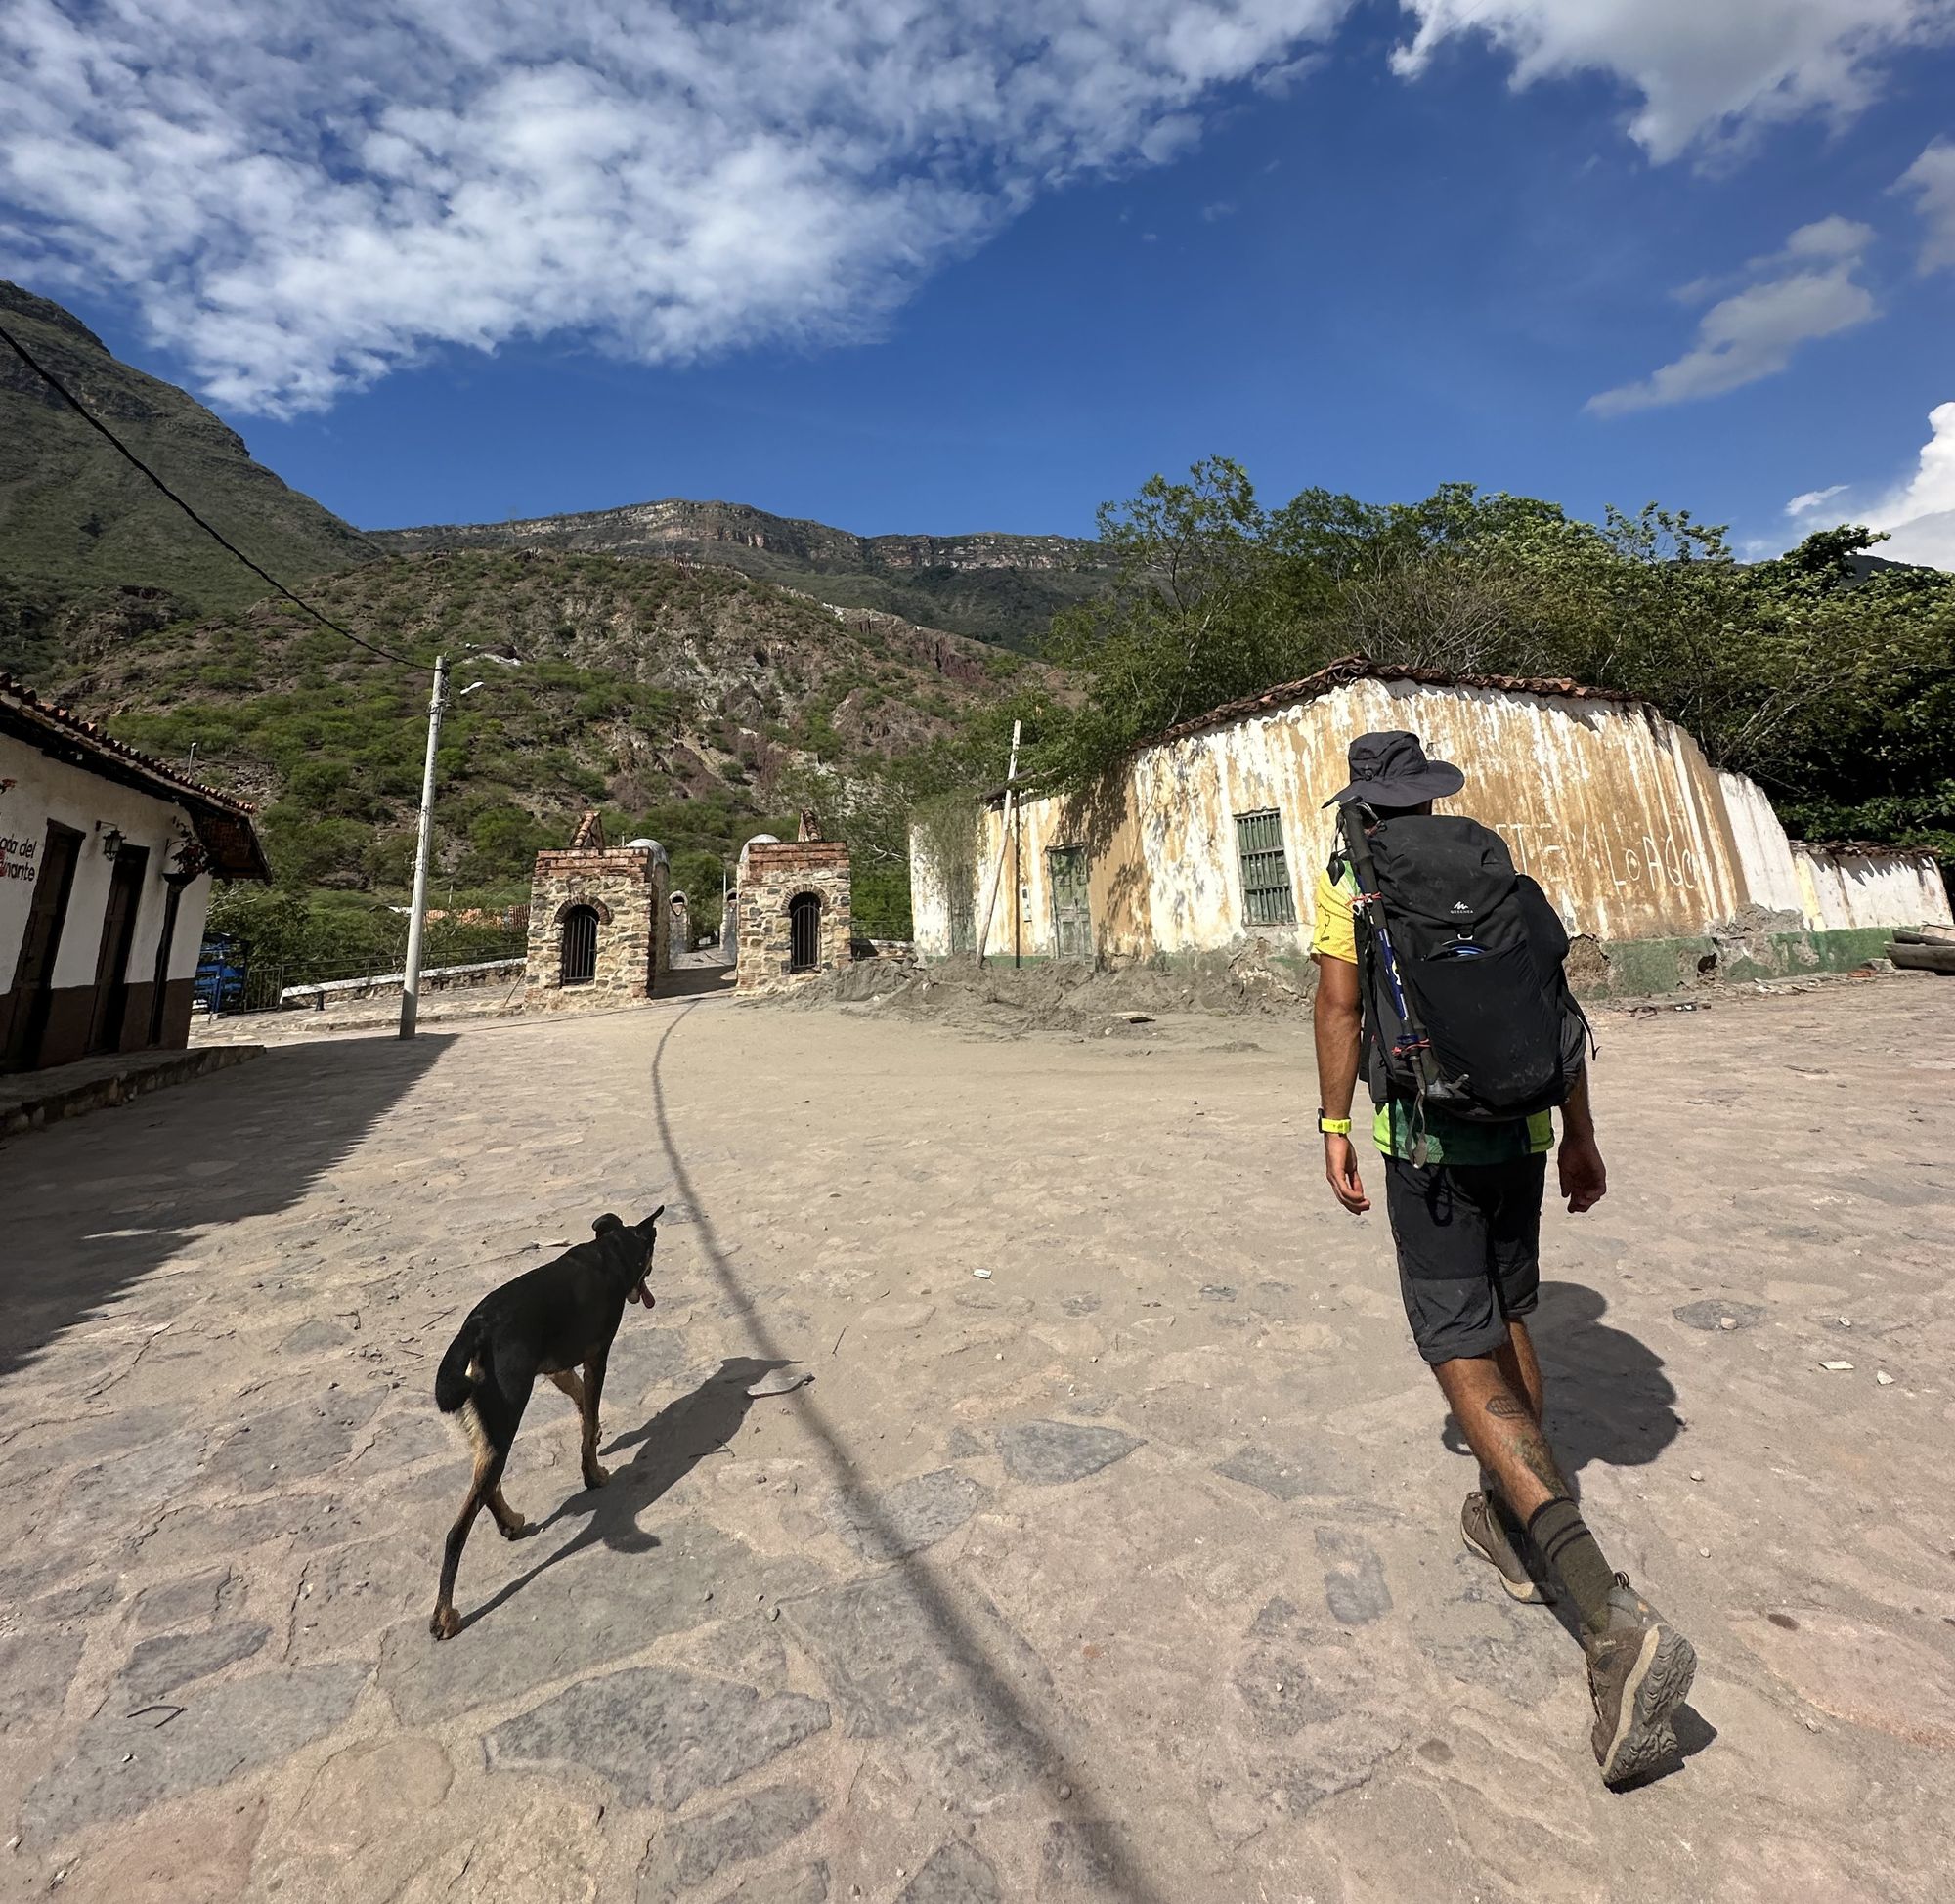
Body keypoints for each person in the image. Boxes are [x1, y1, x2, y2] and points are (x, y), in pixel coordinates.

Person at [1308, 729, 1695, 1788]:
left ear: (1363, 806)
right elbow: (1555, 1009)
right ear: (1430, 798)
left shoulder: (1354, 880)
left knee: (1455, 1347)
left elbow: (1338, 1006)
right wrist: (1578, 1130)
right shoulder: (1487, 867)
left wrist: (1330, 1124)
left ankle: (1602, 1611)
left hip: (1424, 1148)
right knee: (1508, 1310)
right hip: (1520, 1134)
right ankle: (1511, 1512)